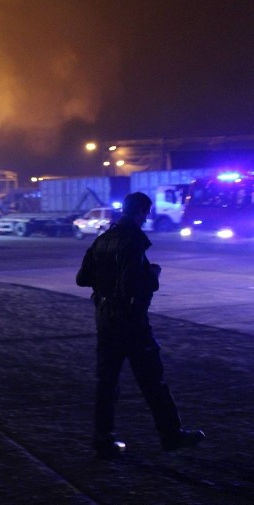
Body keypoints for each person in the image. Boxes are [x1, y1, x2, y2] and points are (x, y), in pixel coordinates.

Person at [76, 191, 204, 458]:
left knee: (107, 382)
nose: (146, 219)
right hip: (131, 323)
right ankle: (171, 435)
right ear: (141, 212)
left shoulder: (103, 239)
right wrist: (153, 276)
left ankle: (103, 439)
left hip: (105, 320)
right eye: (145, 214)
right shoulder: (132, 241)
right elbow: (132, 286)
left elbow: (82, 278)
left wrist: (105, 284)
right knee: (153, 381)